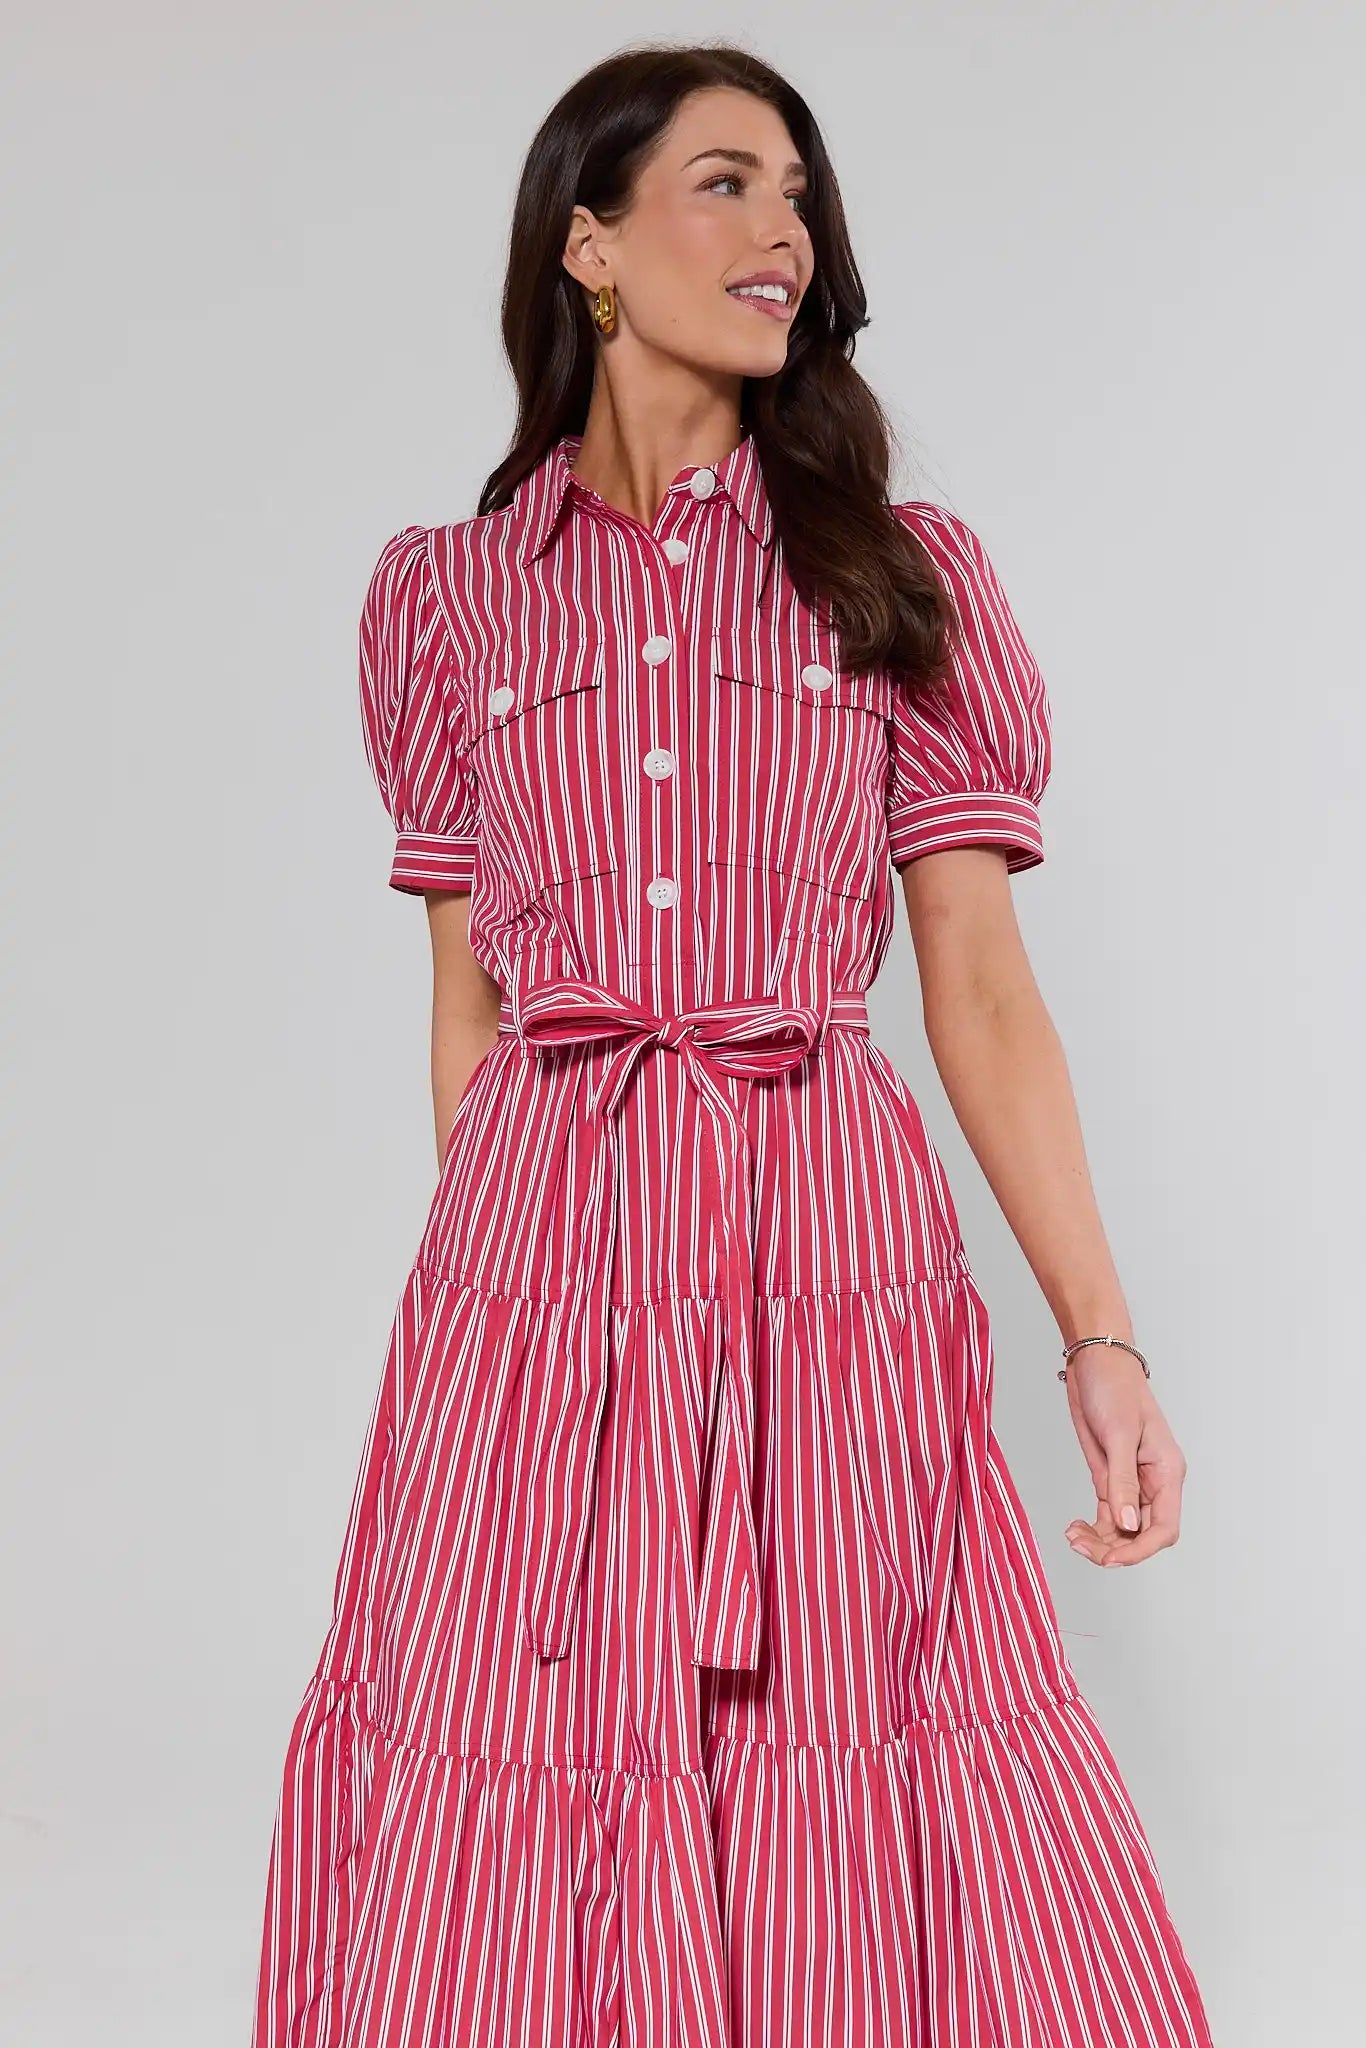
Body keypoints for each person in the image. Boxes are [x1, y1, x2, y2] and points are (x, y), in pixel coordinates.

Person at [250, 43, 1216, 2048]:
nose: (780, 231)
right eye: (721, 184)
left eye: (796, 194)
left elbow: (975, 987)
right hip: (540, 1280)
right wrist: (516, 1340)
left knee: (850, 1732)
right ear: (585, 246)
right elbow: (472, 1010)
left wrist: (1098, 1342)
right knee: (529, 1748)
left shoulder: (899, 569)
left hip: (823, 1246)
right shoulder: (444, 602)